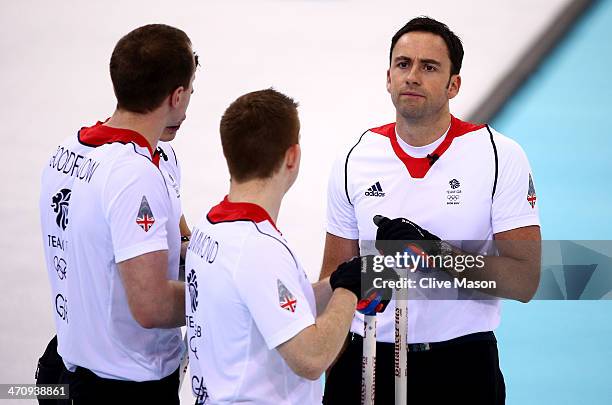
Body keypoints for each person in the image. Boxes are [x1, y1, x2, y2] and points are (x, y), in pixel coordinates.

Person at [321, 17, 541, 404]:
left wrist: (433, 254)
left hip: (460, 364)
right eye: (403, 64)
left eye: (429, 67)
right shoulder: (354, 159)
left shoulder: (498, 155)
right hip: (367, 359)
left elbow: (524, 280)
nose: (412, 76)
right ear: (388, 77)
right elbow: (333, 281)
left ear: (453, 84)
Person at [184, 89, 389, 404]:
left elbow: (268, 303)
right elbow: (311, 357)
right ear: (292, 156)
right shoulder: (257, 248)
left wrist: (336, 281)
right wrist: (350, 292)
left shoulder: (211, 227)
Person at [38, 24, 198, 404]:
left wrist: (201, 249)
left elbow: (173, 232)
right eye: (190, 91)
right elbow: (151, 305)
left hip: (59, 372)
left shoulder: (67, 150)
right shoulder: (134, 174)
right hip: (121, 388)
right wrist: (229, 298)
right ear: (176, 95)